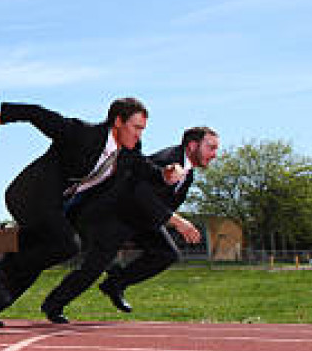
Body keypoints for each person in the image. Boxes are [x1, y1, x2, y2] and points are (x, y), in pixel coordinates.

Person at [0, 97, 181, 328]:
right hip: (30, 196)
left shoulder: (128, 152)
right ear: (118, 121)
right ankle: (5, 267)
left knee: (37, 256)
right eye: (136, 127)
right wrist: (4, 114)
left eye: (143, 130)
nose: (139, 135)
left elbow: (143, 168)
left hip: (57, 207)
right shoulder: (83, 134)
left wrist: (164, 175)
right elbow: (41, 115)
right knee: (66, 244)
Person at [40, 126, 219, 322]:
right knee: (95, 265)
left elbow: (163, 202)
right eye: (211, 148)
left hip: (143, 219)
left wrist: (169, 219)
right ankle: (54, 304)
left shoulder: (188, 173)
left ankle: (115, 283)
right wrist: (176, 221)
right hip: (117, 214)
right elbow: (138, 192)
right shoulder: (166, 159)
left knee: (166, 253)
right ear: (193, 145)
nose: (214, 155)